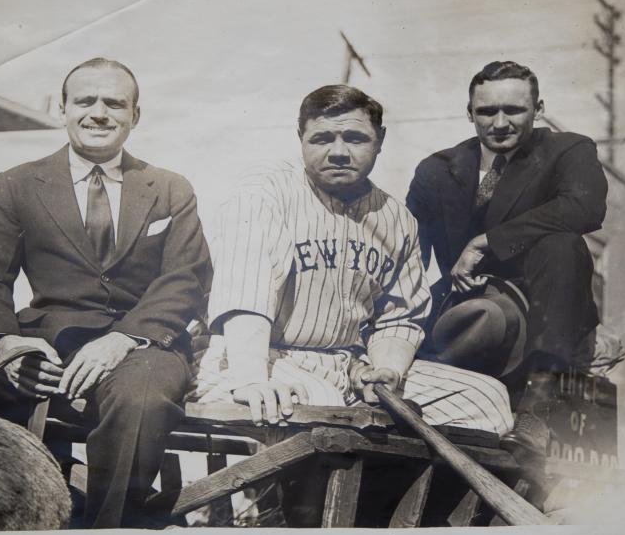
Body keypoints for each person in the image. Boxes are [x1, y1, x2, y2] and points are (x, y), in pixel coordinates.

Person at [0, 58, 212, 528]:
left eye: (114, 103)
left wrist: (123, 339)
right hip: (41, 346)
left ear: (135, 115)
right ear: (63, 109)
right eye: (85, 101)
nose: (99, 113)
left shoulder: (169, 188)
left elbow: (186, 278)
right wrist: (7, 344)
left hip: (141, 349)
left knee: (141, 402)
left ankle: (111, 528)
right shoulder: (17, 184)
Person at [191, 84, 513, 439]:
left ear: (380, 140)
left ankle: (398, 479)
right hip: (251, 359)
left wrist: (387, 369)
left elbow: (399, 317)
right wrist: (251, 378)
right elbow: (245, 300)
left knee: (487, 400)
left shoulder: (396, 218)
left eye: (356, 139)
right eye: (322, 139)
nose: (339, 152)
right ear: (300, 138)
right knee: (326, 409)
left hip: (346, 367)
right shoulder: (265, 194)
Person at [405, 61, 608, 461]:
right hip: (465, 311)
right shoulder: (437, 169)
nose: (499, 123)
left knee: (563, 244)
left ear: (538, 109)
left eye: (513, 110)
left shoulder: (567, 150)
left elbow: (585, 208)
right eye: (486, 111)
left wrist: (486, 242)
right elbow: (409, 253)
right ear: (469, 113)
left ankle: (539, 407)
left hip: (542, 310)